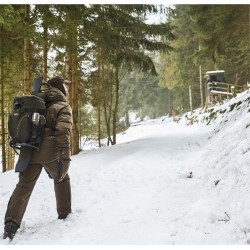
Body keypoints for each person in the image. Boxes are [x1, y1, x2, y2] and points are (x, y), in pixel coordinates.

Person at [3, 76, 73, 240]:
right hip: (50, 152)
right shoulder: (62, 106)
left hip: (29, 150)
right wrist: (65, 158)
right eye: (66, 85)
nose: (68, 88)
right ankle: (64, 214)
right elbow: (63, 132)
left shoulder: (36, 103)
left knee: (24, 186)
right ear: (60, 88)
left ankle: (10, 225)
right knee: (62, 177)